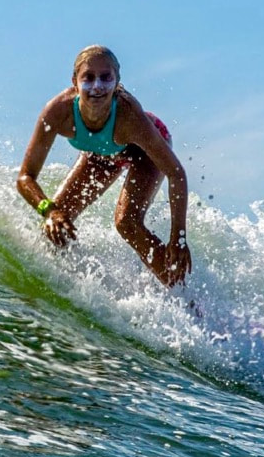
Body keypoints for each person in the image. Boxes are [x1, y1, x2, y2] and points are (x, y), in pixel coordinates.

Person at [16, 45, 192, 287]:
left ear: (117, 81)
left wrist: (178, 239)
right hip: (101, 154)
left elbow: (176, 174)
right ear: (75, 82)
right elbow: (25, 177)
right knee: (58, 223)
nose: (97, 86)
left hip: (144, 151)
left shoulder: (129, 116)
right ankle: (65, 288)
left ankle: (182, 297)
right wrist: (49, 210)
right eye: (88, 78)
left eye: (106, 77)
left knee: (126, 222)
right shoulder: (57, 113)